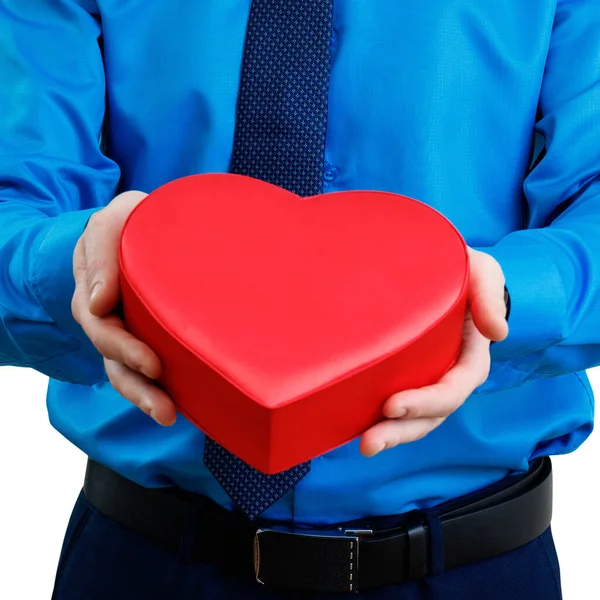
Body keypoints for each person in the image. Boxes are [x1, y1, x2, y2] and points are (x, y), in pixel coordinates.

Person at [0, 1, 598, 598]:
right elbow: (14, 201)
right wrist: (75, 265)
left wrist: (499, 304)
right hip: (140, 562)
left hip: (474, 566)